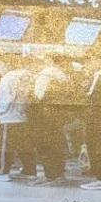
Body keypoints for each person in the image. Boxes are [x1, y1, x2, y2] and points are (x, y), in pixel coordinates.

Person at [0, 55, 36, 182]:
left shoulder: (8, 77)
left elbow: (6, 97)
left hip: (9, 116)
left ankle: (2, 172)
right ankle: (30, 171)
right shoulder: (30, 76)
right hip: (23, 115)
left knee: (5, 147)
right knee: (25, 146)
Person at [32, 55, 71, 184]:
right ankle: (59, 174)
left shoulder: (45, 75)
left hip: (45, 113)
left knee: (46, 144)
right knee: (57, 142)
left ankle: (50, 175)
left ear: (50, 61)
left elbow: (38, 95)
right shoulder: (63, 75)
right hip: (59, 113)